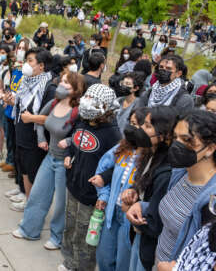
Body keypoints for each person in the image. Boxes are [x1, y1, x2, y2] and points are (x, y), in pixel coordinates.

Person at [12, 71, 85, 250]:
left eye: (67, 82)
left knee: (61, 204)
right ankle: (29, 229)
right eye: (62, 80)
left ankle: (57, 238)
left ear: (76, 89)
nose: (61, 84)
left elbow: (81, 135)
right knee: (37, 194)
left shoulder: (79, 112)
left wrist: (68, 141)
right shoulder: (54, 102)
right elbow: (39, 121)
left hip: (65, 164)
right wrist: (41, 139)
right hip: (49, 157)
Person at [59, 84, 121, 271]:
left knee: (85, 235)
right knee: (70, 227)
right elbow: (74, 140)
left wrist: (104, 177)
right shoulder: (82, 120)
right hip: (73, 185)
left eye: (94, 101)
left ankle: (82, 267)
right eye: (87, 98)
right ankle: (69, 263)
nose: (87, 104)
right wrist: (69, 154)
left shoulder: (113, 133)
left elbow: (119, 163)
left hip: (91, 195)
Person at [90, 107, 149, 271]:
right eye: (130, 123)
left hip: (129, 219)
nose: (131, 128)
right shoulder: (121, 149)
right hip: (111, 212)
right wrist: (103, 195)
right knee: (104, 258)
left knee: (123, 262)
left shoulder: (150, 158)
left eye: (137, 125)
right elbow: (103, 171)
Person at [155, 110, 216, 264]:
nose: (177, 145)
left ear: (210, 149)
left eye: (187, 139)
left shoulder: (212, 199)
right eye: (176, 138)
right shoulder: (181, 172)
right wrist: (142, 207)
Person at [121, 106, 178, 271]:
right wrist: (133, 190)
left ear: (164, 134)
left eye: (147, 126)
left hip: (149, 243)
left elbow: (155, 223)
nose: (140, 129)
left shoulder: (166, 171)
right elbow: (143, 183)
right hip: (140, 237)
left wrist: (130, 210)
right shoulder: (149, 154)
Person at [6, 47, 56, 211]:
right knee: (24, 170)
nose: (26, 65)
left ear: (41, 66)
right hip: (21, 133)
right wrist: (12, 101)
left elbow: (55, 119)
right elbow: (24, 106)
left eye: (30, 61)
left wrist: (32, 118)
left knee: (34, 174)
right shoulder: (27, 82)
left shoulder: (49, 87)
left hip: (36, 139)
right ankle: (28, 201)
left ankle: (34, 207)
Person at [0, 38, 29, 177]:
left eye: (24, 48)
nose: (21, 51)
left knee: (17, 141)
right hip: (9, 107)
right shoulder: (15, 66)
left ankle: (16, 169)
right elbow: (11, 85)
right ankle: (9, 160)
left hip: (18, 108)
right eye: (19, 48)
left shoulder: (28, 69)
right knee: (9, 137)